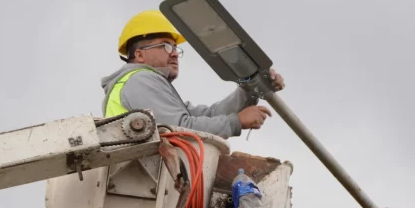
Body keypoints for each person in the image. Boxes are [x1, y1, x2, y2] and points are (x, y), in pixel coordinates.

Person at [101, 10, 285, 139]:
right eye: (165, 45)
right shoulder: (139, 81)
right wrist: (236, 121)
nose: (174, 53)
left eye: (175, 47)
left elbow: (210, 115)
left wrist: (250, 88)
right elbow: (178, 128)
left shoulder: (152, 87)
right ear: (139, 55)